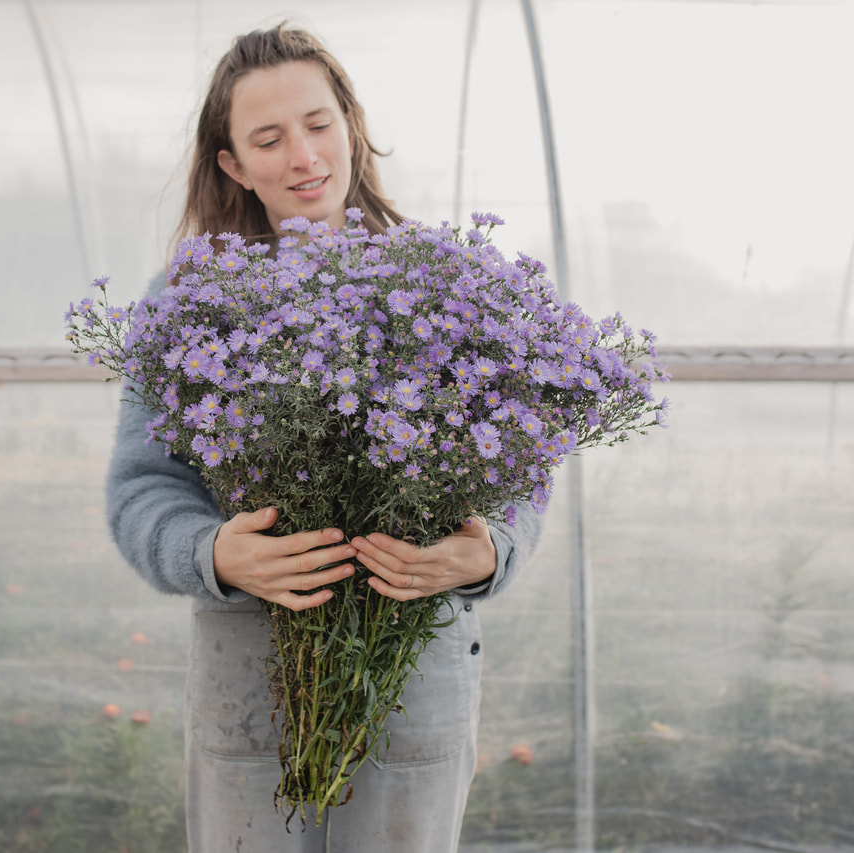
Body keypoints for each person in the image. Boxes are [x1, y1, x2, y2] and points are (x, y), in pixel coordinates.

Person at [105, 22, 542, 853]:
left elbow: (520, 461)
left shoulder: (447, 287)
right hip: (252, 672)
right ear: (233, 164)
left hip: (414, 666)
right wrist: (213, 553)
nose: (303, 156)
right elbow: (140, 488)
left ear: (351, 126)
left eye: (318, 124)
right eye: (268, 139)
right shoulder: (189, 300)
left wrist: (490, 551)